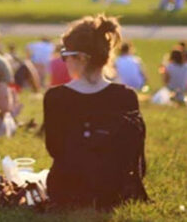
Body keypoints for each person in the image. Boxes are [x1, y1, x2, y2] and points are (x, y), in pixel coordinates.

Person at [44, 15, 147, 209]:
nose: (64, 61)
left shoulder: (55, 97)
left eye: (66, 55)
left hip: (68, 188)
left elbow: (55, 149)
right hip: (115, 189)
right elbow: (132, 152)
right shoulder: (126, 96)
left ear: (81, 58)